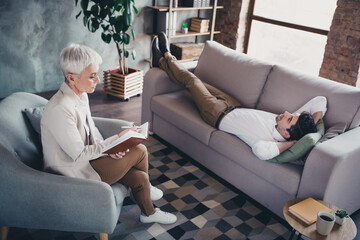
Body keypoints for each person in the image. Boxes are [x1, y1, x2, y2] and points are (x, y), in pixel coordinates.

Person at [41, 44, 177, 224]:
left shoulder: (81, 95)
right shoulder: (60, 109)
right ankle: (148, 193)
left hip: (87, 161)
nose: (98, 80)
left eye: (97, 74)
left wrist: (111, 149)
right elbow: (78, 154)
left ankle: (148, 213)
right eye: (92, 76)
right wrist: (117, 140)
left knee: (141, 177)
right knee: (140, 151)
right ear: (71, 78)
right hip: (72, 171)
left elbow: (90, 134)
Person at [151, 32, 327, 161]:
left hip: (216, 114)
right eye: (291, 115)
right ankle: (162, 62)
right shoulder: (284, 124)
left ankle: (165, 56)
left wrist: (293, 144)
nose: (287, 113)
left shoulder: (270, 141)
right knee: (195, 81)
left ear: (287, 135)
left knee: (191, 81)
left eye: (289, 120)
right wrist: (311, 128)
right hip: (233, 104)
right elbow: (320, 101)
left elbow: (261, 151)